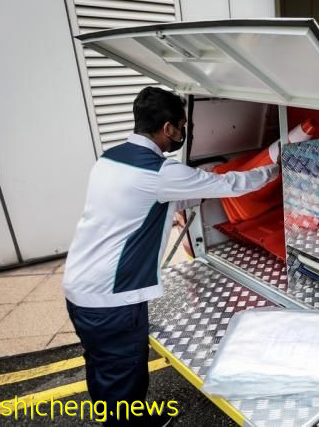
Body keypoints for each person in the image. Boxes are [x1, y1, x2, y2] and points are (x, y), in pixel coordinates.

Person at [62, 87, 279, 426]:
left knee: (103, 368)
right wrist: (274, 165)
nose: (183, 132)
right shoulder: (160, 173)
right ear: (168, 129)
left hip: (79, 287)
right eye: (181, 125)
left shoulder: (109, 159)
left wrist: (180, 202)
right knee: (124, 377)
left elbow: (137, 205)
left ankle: (128, 418)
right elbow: (233, 184)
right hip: (112, 298)